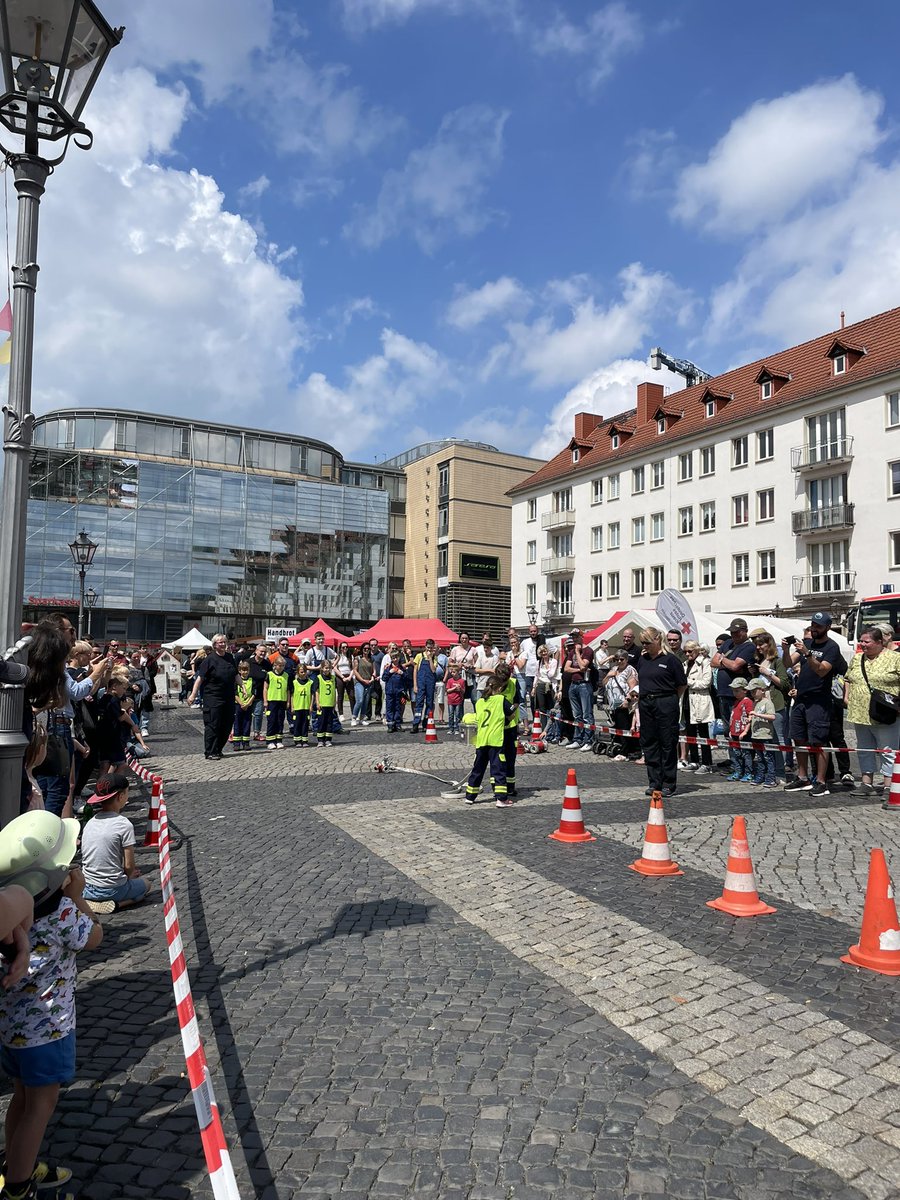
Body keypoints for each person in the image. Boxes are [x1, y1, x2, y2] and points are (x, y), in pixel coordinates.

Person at [0, 811, 103, 1200]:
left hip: (11, 1029)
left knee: (21, 1098)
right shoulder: (62, 914)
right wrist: (77, 896)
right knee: (40, 1106)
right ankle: (18, 1186)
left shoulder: (9, 918)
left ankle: (14, 1164)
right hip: (49, 1029)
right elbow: (95, 937)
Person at [783, 612, 846, 797]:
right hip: (801, 699)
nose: (814, 629)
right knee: (799, 738)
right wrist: (786, 649)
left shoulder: (832, 647)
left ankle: (821, 781)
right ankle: (802, 778)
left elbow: (821, 671)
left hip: (819, 700)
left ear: (827, 627)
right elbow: (788, 663)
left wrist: (808, 654)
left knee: (819, 741)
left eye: (818, 626)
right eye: (812, 625)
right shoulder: (807, 642)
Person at [81, 773, 152, 913]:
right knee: (146, 884)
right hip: (112, 889)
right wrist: (130, 875)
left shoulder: (90, 822)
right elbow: (129, 865)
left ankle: (92, 901)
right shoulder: (123, 824)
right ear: (120, 796)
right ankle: (119, 904)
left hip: (88, 886)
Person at [844, 625, 900, 794]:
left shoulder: (895, 658)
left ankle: (890, 785)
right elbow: (848, 677)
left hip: (885, 713)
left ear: (879, 642)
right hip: (860, 713)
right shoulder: (857, 658)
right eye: (861, 641)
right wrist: (846, 696)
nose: (863, 644)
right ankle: (866, 783)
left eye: (866, 641)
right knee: (864, 748)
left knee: (887, 750)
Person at [636, 628, 686, 798]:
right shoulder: (643, 660)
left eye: (647, 642)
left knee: (667, 742)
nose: (644, 646)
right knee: (649, 742)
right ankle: (654, 781)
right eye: (642, 643)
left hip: (665, 702)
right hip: (646, 702)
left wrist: (670, 699)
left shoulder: (671, 660)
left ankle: (668, 783)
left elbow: (681, 684)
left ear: (657, 640)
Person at [711, 619, 755, 776]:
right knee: (728, 731)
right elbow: (713, 662)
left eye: (737, 632)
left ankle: (745, 766)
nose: (733, 635)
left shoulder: (748, 646)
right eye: (732, 632)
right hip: (723, 693)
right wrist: (725, 662)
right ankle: (735, 764)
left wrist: (722, 659)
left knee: (740, 730)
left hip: (737, 696)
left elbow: (736, 666)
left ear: (745, 631)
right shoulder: (727, 643)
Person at [464, 675, 514, 807]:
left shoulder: (480, 702)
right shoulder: (500, 699)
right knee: (498, 769)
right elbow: (511, 713)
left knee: (477, 769)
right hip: (496, 740)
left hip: (481, 740)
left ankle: (470, 796)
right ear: (499, 688)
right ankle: (501, 799)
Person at [188, 635, 237, 760]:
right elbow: (199, 678)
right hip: (213, 697)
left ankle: (218, 749)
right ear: (214, 644)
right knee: (213, 724)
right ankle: (210, 751)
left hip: (228, 696)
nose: (223, 644)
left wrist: (243, 687)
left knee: (227, 724)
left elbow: (235, 674)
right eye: (220, 642)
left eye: (224, 642)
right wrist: (193, 694)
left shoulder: (230, 657)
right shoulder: (209, 660)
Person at [750, 630, 791, 779]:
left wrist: (768, 673)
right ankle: (770, 771)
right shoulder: (760, 661)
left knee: (778, 738)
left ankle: (781, 772)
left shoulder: (777, 661)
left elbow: (785, 684)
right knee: (765, 738)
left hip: (776, 703)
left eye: (761, 644)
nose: (758, 647)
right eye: (757, 645)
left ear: (769, 644)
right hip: (761, 704)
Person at [683, 642, 714, 773]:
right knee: (690, 731)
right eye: (685, 651)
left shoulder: (705, 662)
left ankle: (707, 763)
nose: (687, 654)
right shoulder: (685, 664)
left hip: (700, 699)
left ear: (696, 651)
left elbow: (706, 682)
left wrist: (688, 682)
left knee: (703, 732)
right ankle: (694, 760)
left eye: (690, 651)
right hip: (687, 699)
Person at [563, 630, 595, 752]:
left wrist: (577, 652)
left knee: (587, 714)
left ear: (581, 637)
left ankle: (588, 740)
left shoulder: (588, 651)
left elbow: (583, 666)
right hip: (573, 684)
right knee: (577, 715)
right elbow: (566, 668)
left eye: (576, 637)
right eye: (573, 637)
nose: (574, 639)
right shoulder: (570, 652)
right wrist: (578, 670)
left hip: (584, 685)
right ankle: (578, 739)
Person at [604, 650, 639, 760]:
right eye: (617, 659)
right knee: (618, 727)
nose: (619, 661)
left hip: (625, 705)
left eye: (622, 659)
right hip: (614, 705)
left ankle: (626, 752)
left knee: (625, 728)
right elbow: (603, 684)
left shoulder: (630, 670)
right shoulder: (614, 669)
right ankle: (623, 749)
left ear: (626, 659)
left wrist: (627, 701)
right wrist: (608, 676)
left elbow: (633, 689)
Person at [494, 663, 521, 798]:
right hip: (496, 727)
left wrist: (510, 711)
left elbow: (517, 701)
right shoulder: (493, 684)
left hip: (510, 726)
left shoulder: (514, 683)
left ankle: (510, 787)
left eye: (505, 681)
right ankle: (497, 787)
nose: (503, 684)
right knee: (497, 759)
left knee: (510, 758)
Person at [747, 678, 777, 788]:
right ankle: (760, 776)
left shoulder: (767, 702)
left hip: (765, 735)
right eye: (751, 692)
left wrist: (758, 715)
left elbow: (772, 716)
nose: (753, 694)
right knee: (759, 758)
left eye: (754, 691)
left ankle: (771, 778)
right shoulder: (756, 703)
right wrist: (750, 719)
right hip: (756, 735)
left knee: (768, 757)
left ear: (762, 690)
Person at [411, 640, 441, 733]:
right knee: (419, 703)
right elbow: (415, 671)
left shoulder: (435, 658)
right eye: (428, 647)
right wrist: (415, 685)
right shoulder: (419, 656)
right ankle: (415, 724)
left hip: (430, 684)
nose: (429, 649)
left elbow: (433, 670)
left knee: (429, 703)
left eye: (431, 648)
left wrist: (430, 658)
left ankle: (426, 723)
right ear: (425, 647)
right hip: (421, 683)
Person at [727, 678, 754, 782]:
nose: (735, 693)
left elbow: (749, 717)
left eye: (737, 690)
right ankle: (738, 771)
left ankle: (749, 772)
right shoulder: (736, 702)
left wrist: (745, 731)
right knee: (736, 754)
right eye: (734, 690)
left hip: (743, 732)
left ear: (745, 690)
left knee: (746, 753)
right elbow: (733, 717)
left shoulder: (747, 702)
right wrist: (730, 730)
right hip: (734, 732)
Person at [263, 656, 289, 750]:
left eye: (283, 666)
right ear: (275, 665)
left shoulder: (286, 675)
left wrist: (288, 701)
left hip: (282, 701)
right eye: (279, 665)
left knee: (280, 721)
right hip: (272, 701)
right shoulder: (269, 674)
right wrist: (265, 701)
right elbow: (265, 688)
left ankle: (279, 740)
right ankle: (270, 741)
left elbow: (288, 690)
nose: (281, 667)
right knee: (271, 721)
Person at [533, 644, 559, 735]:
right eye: (542, 652)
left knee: (552, 709)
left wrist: (547, 666)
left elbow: (551, 675)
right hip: (540, 685)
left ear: (548, 652)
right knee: (542, 709)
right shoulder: (538, 663)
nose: (544, 653)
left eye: (545, 651)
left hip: (550, 686)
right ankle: (545, 731)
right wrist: (533, 687)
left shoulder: (554, 661)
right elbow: (537, 675)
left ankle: (554, 731)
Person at [247, 643, 271, 744]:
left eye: (264, 652)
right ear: (256, 651)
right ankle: (243, 733)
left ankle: (257, 733)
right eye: (261, 651)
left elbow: (270, 678)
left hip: (261, 693)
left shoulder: (266, 664)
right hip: (248, 693)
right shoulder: (248, 662)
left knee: (258, 714)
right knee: (246, 714)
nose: (262, 653)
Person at [313, 659, 337, 748]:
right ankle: (320, 740)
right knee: (321, 722)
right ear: (322, 668)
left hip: (330, 704)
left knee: (329, 723)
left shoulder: (333, 678)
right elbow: (316, 691)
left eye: (329, 668)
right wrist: (317, 703)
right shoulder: (318, 678)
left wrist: (335, 702)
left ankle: (328, 739)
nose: (327, 670)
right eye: (326, 668)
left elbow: (334, 691)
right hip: (322, 704)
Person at [381, 649, 406, 732]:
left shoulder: (402, 667)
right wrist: (389, 672)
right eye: (393, 658)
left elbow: (406, 678)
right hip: (390, 691)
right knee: (389, 708)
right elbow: (384, 678)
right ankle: (390, 725)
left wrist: (402, 673)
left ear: (399, 658)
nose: (395, 659)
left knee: (398, 708)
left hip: (398, 691)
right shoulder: (388, 668)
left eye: (396, 657)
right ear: (391, 658)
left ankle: (397, 724)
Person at [289, 663, 314, 747]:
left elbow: (312, 695)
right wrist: (292, 706)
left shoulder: (310, 682)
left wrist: (311, 706)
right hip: (297, 707)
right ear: (298, 672)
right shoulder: (294, 682)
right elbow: (292, 695)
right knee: (297, 724)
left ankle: (304, 740)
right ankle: (297, 740)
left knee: (305, 724)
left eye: (304, 672)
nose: (303, 673)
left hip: (306, 707)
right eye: (301, 672)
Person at [233, 660, 255, 752]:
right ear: (239, 670)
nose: (245, 672)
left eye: (246, 670)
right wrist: (241, 703)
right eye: (243, 670)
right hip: (238, 705)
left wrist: (248, 703)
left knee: (247, 723)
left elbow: (254, 693)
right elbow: (235, 693)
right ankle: (237, 743)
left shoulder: (251, 680)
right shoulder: (237, 681)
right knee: (237, 723)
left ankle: (246, 743)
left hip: (248, 705)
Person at [351, 645, 375, 728]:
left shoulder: (371, 659)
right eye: (365, 649)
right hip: (359, 682)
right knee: (360, 700)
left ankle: (362, 719)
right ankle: (354, 717)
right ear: (362, 649)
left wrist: (372, 678)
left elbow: (374, 671)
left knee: (366, 701)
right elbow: (355, 670)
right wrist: (362, 680)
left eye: (368, 649)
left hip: (368, 682)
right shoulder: (357, 658)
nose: (367, 650)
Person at [472, 634, 499, 701]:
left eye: (487, 648)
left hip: (491, 686)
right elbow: (477, 670)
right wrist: (489, 670)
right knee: (479, 703)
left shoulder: (495, 658)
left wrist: (482, 671)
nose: (486, 649)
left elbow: (494, 671)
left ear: (491, 648)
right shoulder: (481, 657)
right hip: (481, 685)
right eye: (484, 647)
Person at [333, 642, 353, 716]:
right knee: (340, 696)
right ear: (340, 648)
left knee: (351, 695)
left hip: (349, 676)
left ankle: (353, 714)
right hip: (340, 676)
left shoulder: (350, 656)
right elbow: (334, 667)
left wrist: (350, 677)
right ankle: (341, 714)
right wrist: (342, 677)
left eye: (346, 647)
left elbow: (353, 668)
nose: (345, 649)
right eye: (343, 647)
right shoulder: (338, 656)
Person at [446, 664, 465, 736]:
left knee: (457, 715)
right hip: (450, 700)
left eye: (454, 672)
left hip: (458, 700)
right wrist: (454, 688)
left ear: (458, 672)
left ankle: (457, 728)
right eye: (451, 672)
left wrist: (460, 689)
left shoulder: (462, 681)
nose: (452, 673)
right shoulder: (450, 681)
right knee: (451, 715)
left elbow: (463, 691)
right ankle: (451, 728)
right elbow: (447, 690)